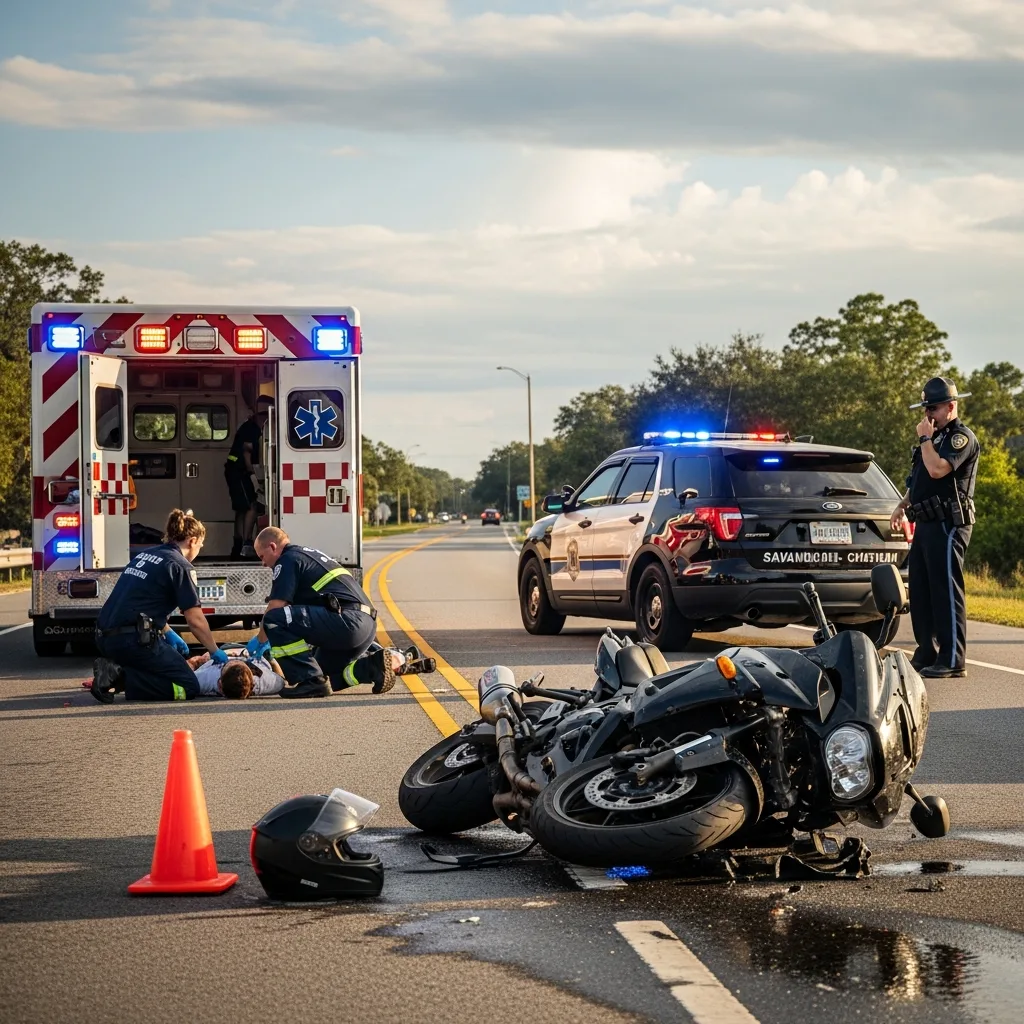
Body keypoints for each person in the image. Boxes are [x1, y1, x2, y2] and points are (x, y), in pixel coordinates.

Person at [890, 377, 980, 679]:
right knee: (922, 589)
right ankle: (927, 650)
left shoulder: (960, 438)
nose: (928, 414)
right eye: (926, 407)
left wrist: (926, 440)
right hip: (925, 522)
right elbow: (918, 479)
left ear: (951, 406)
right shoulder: (932, 439)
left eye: (934, 408)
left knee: (944, 590)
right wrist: (902, 504)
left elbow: (937, 469)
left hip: (949, 523)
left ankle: (953, 658)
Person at [91, 509, 229, 702]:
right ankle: (120, 676)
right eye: (201, 545)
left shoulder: (145, 556)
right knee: (187, 686)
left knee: (164, 667)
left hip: (105, 637)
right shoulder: (180, 565)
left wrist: (167, 630)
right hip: (132, 641)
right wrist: (214, 650)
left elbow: (141, 602)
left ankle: (116, 668)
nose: (200, 550)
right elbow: (195, 619)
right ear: (192, 541)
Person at [246, 527, 395, 698]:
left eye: (262, 557)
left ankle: (311, 683)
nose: (263, 563)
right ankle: (372, 667)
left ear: (272, 547)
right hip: (364, 626)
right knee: (319, 671)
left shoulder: (287, 560)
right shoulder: (307, 554)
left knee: (273, 619)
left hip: (348, 622)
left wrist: (260, 641)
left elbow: (277, 605)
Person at [225, 397, 272, 560]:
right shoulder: (252, 429)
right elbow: (246, 452)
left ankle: (238, 547)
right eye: (266, 417)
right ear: (262, 415)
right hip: (240, 472)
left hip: (235, 471)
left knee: (241, 508)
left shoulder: (249, 426)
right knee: (251, 505)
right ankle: (246, 544)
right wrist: (253, 475)